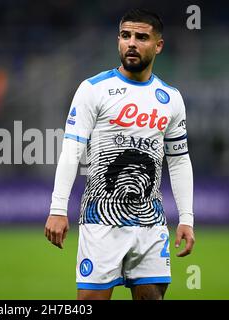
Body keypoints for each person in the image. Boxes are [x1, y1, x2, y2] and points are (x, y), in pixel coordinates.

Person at [44, 8, 195, 300]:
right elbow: (72, 149)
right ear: (118, 40)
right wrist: (58, 209)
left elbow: (179, 161)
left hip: (151, 221)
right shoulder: (94, 89)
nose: (132, 43)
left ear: (158, 45)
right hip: (102, 217)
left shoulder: (171, 98)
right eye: (126, 36)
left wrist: (186, 218)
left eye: (141, 37)